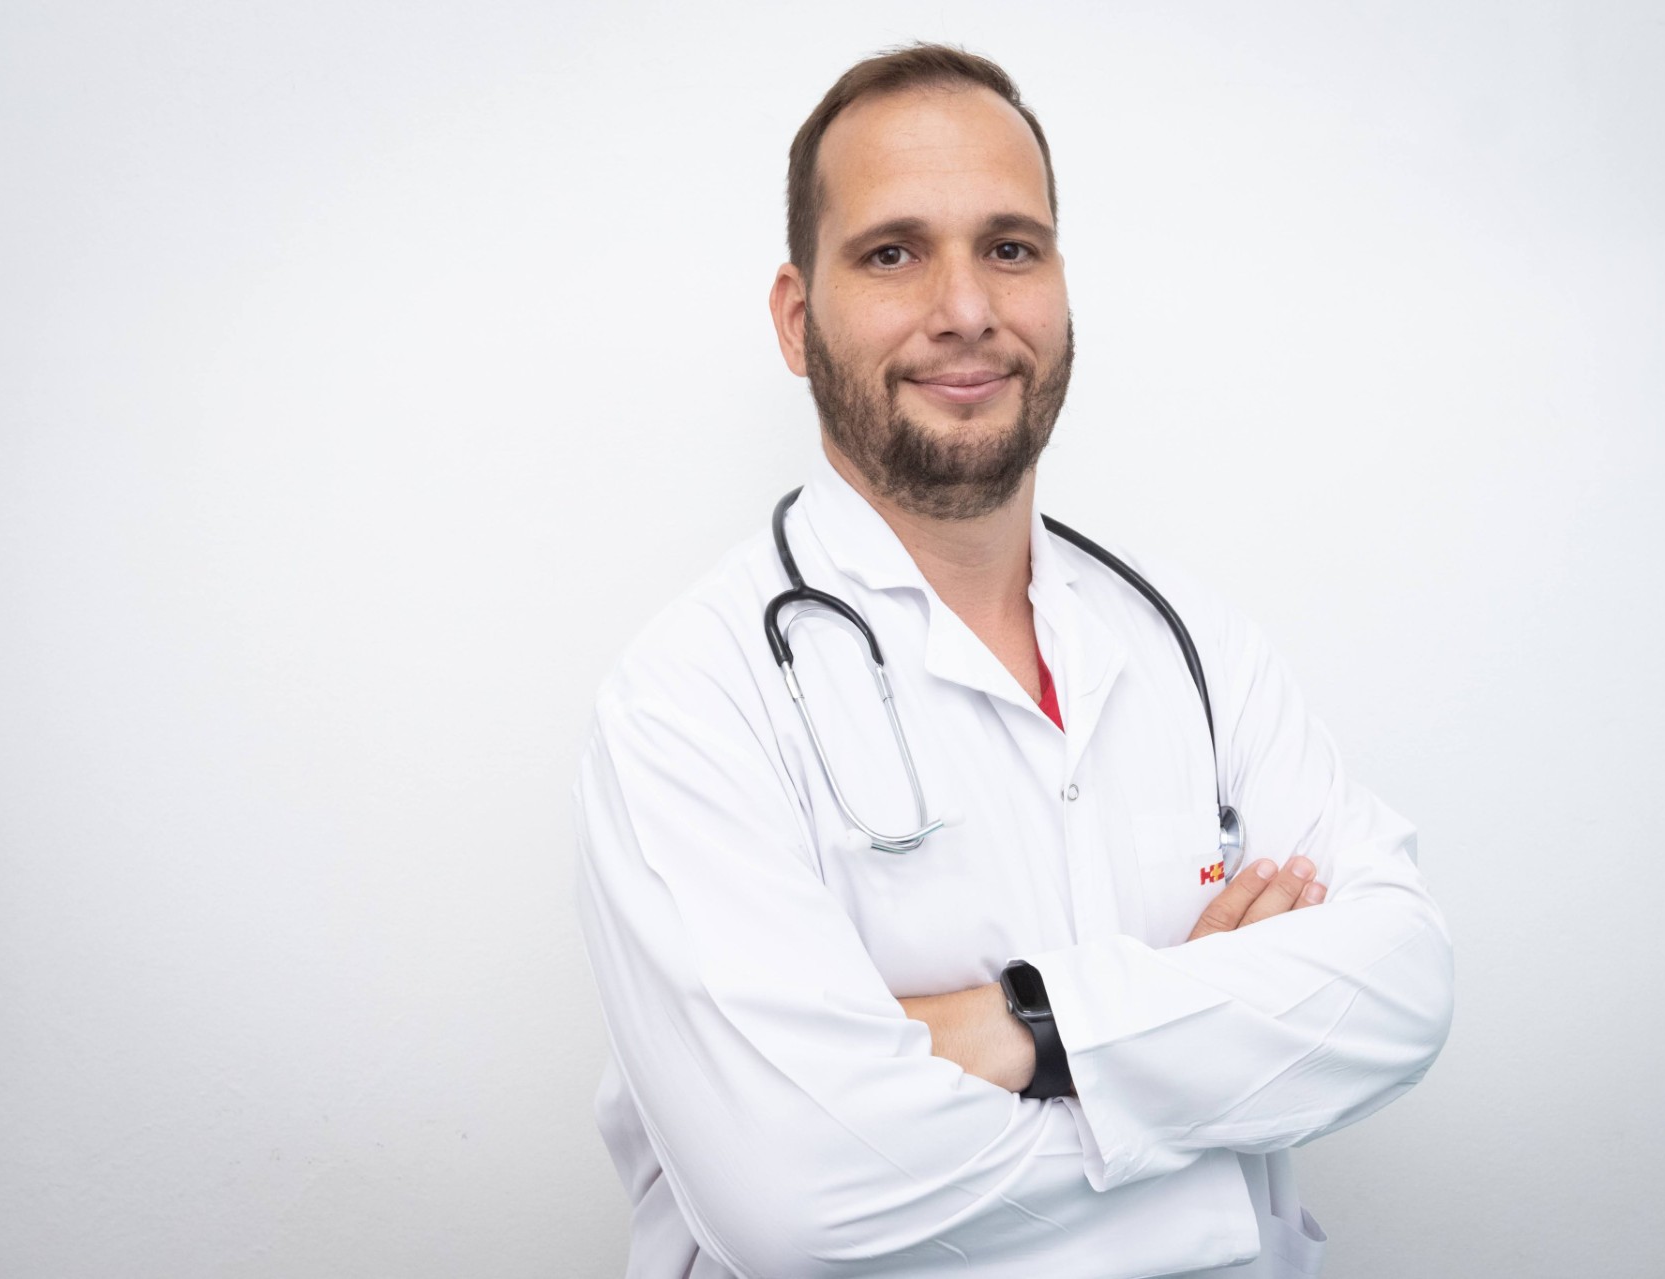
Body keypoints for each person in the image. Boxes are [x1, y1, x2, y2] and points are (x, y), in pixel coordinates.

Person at [575, 42, 1454, 1279]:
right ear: (796, 318)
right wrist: (1212, 1137)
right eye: (893, 253)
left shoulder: (1194, 645)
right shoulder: (691, 701)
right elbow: (800, 1194)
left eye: (1010, 247)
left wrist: (1022, 1027)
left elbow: (1403, 985)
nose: (968, 310)